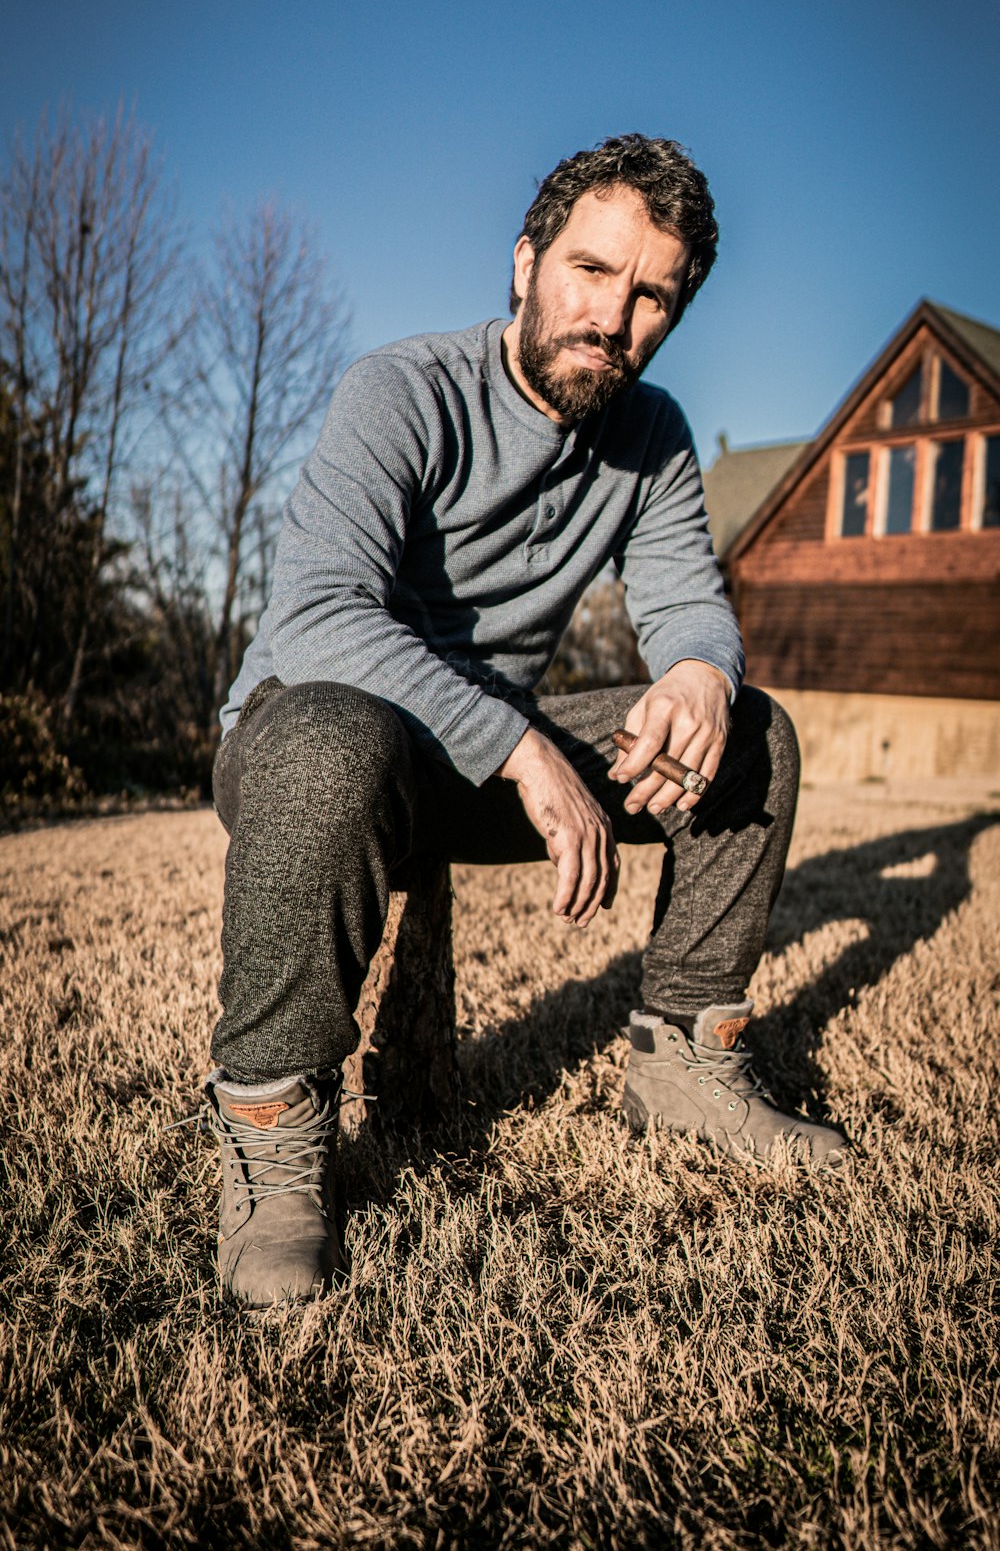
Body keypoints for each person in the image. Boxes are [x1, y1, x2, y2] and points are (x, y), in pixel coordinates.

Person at [205, 134, 846, 1308]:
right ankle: (272, 1133)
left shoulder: (649, 440)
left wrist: (700, 671)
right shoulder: (400, 389)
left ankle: (684, 1060)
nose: (615, 315)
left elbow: (688, 604)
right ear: (524, 262)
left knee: (750, 733)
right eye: (592, 272)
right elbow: (318, 617)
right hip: (318, 742)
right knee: (331, 735)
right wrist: (521, 747)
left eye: (652, 294)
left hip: (487, 756)